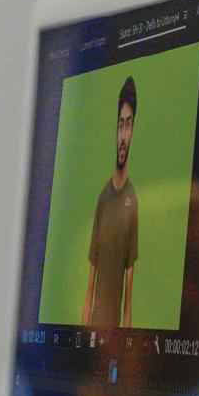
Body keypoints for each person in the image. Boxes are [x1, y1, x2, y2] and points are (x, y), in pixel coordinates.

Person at [81, 74, 138, 329]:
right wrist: (81, 337)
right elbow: (90, 284)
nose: (124, 134)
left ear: (133, 132)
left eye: (129, 125)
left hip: (114, 336)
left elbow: (129, 294)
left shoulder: (133, 199)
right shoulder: (103, 198)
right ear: (116, 131)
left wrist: (126, 341)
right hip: (93, 331)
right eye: (121, 125)